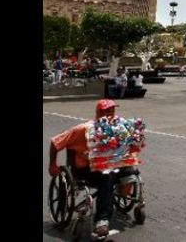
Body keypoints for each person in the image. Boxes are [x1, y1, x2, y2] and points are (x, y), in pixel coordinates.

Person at [48, 99, 127, 238]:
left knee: (130, 169)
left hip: (106, 165)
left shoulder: (114, 129)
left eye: (113, 112)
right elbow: (56, 142)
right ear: (99, 114)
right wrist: (52, 164)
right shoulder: (82, 129)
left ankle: (130, 198)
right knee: (106, 178)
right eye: (108, 112)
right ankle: (101, 221)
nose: (112, 115)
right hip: (85, 170)